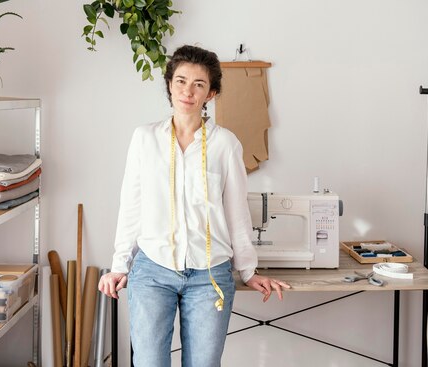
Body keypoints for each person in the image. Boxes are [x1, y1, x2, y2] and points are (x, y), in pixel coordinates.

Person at [98, 45, 290, 367]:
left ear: (211, 94)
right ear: (170, 85)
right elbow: (131, 205)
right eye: (181, 81)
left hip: (210, 275)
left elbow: (236, 213)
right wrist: (119, 264)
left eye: (199, 84)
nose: (188, 91)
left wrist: (248, 269)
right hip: (153, 271)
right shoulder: (144, 139)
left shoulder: (226, 144)